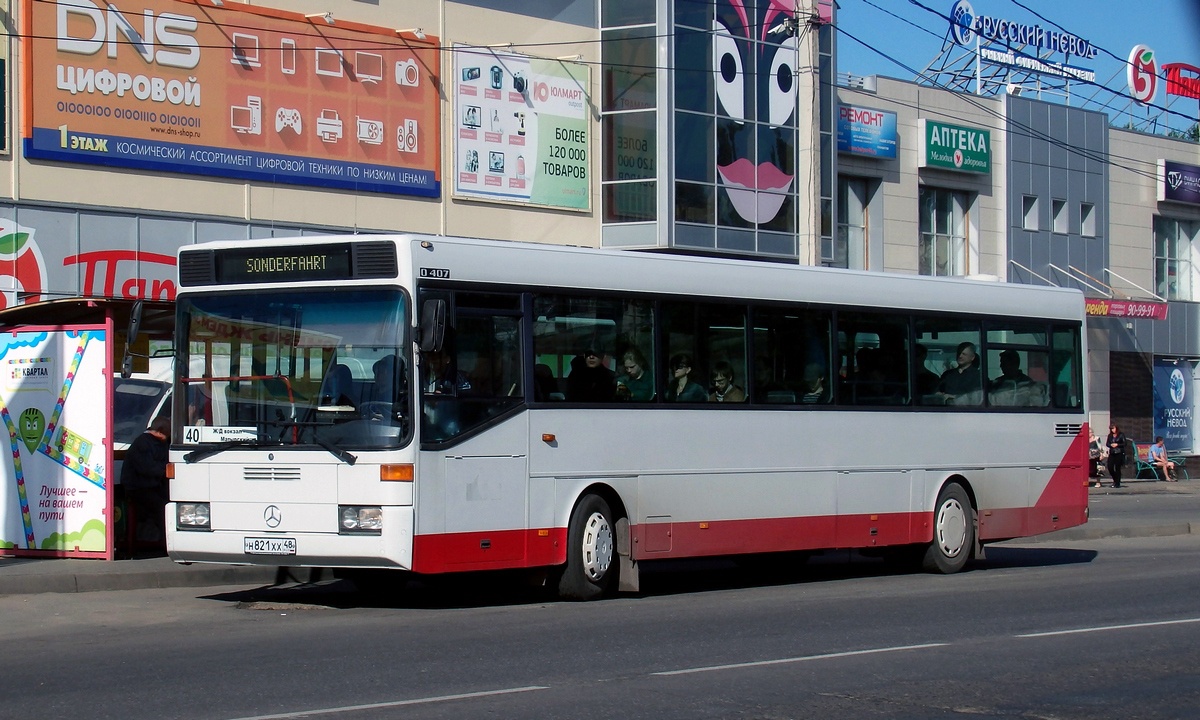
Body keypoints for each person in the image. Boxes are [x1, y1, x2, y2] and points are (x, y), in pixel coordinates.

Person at [120, 415, 170, 544]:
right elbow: (147, 468)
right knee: (163, 508)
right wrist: (165, 471)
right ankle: (165, 542)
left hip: (151, 486)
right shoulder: (143, 443)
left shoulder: (157, 442)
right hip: (138, 487)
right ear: (160, 431)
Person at [1105, 423, 1128, 488]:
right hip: (1112, 452)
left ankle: (1117, 483)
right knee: (1110, 467)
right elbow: (1107, 443)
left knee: (1117, 468)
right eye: (1111, 429)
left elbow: (1124, 443)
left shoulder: (1121, 435)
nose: (1112, 430)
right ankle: (1115, 479)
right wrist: (1111, 445)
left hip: (1119, 452)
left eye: (1113, 428)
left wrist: (1117, 444)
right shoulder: (1110, 435)